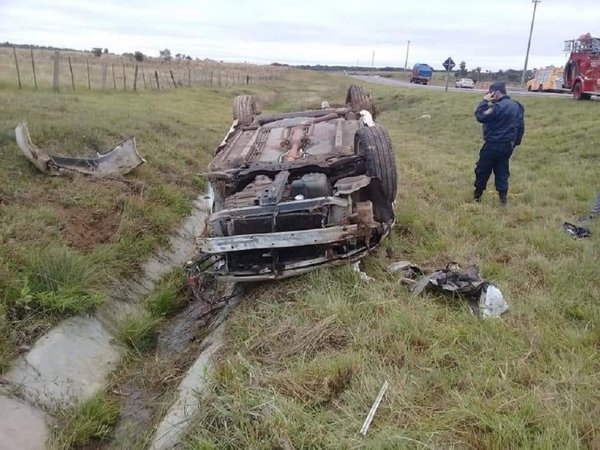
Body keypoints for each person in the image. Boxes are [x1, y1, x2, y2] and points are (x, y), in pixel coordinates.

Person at [473, 81, 525, 205]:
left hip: (493, 144)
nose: (489, 95)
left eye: (491, 93)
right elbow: (521, 126)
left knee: (483, 169)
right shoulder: (517, 106)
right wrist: (515, 143)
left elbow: (480, 116)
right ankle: (503, 200)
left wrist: (484, 102)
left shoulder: (496, 108)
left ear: (496, 93)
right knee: (502, 170)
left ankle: (477, 196)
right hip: (508, 145)